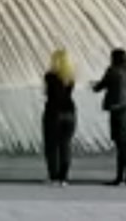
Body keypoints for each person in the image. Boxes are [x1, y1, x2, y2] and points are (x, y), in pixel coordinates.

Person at [92, 47, 126, 186]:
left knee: (120, 145)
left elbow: (99, 87)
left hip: (116, 110)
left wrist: (93, 85)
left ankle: (119, 178)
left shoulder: (112, 71)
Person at [41, 48, 77, 185]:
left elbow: (48, 93)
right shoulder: (70, 77)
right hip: (70, 112)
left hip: (53, 112)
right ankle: (64, 178)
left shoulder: (49, 76)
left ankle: (53, 176)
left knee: (51, 146)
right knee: (65, 145)